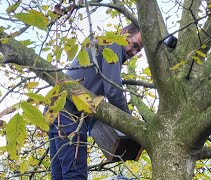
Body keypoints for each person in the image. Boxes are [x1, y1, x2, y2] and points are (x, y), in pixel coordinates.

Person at [48, 23, 143, 180]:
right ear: (124, 33)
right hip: (69, 114)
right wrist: (130, 123)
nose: (133, 52)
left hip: (55, 111)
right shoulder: (113, 44)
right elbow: (114, 91)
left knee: (59, 176)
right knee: (74, 175)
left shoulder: (102, 45)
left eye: (138, 50)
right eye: (134, 45)